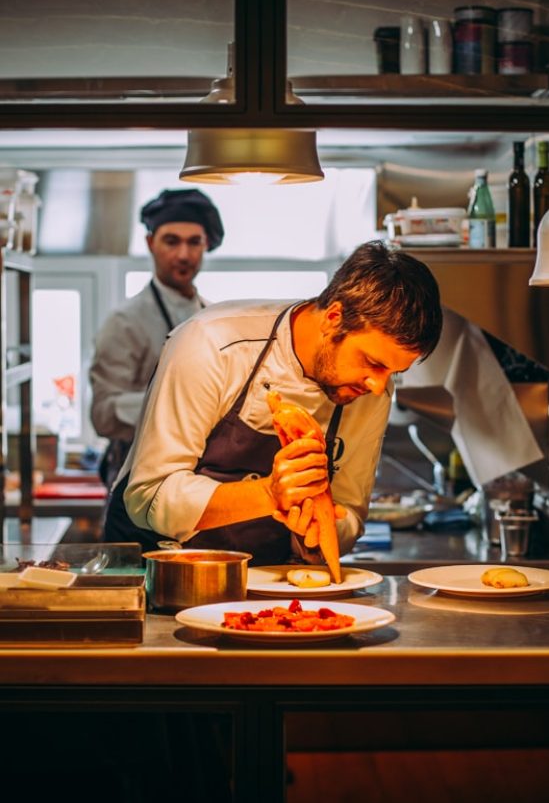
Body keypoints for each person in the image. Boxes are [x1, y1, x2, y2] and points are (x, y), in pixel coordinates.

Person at [104, 241, 442, 564]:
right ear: (334, 319)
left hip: (272, 584)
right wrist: (270, 494)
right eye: (373, 362)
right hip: (162, 574)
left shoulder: (372, 387)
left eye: (396, 372)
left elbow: (349, 511)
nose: (379, 385)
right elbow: (150, 495)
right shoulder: (211, 343)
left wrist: (314, 535)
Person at [89, 188, 224, 488]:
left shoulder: (216, 319)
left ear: (206, 245)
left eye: (194, 242)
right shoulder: (124, 323)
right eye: (171, 241)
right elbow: (102, 415)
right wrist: (182, 406)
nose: (183, 254)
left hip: (203, 479)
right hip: (137, 477)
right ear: (151, 243)